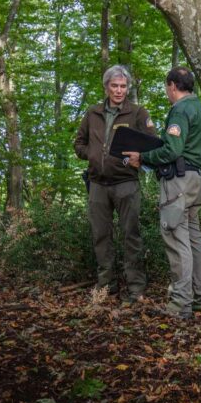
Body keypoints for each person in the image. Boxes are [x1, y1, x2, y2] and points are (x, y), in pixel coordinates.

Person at [124, 66, 201, 319]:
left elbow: (172, 150)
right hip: (195, 180)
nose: (167, 91)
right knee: (195, 239)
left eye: (167, 87)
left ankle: (180, 304)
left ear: (172, 85)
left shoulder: (181, 110)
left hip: (178, 182)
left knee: (176, 239)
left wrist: (143, 157)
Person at [74, 65, 155, 301]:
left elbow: (153, 143)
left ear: (128, 88)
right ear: (106, 87)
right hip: (98, 184)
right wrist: (90, 154)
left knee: (131, 234)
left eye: (123, 86)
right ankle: (105, 286)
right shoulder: (93, 113)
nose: (119, 91)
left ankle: (135, 288)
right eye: (114, 86)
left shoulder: (138, 113)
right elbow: (78, 143)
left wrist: (139, 158)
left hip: (126, 183)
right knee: (101, 236)